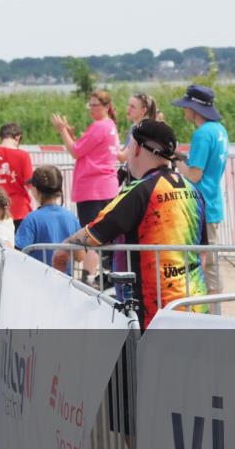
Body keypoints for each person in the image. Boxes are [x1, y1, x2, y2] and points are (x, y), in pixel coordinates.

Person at [60, 121, 208, 329]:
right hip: (195, 307)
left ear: (136, 148)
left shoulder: (138, 191)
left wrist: (60, 252)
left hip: (153, 317)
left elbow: (90, 235)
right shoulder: (193, 190)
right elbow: (203, 253)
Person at [51, 90, 120, 278]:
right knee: (102, 234)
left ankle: (89, 275)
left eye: (95, 105)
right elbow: (85, 149)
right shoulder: (110, 125)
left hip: (92, 188)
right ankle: (99, 273)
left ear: (106, 107)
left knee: (91, 234)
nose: (91, 108)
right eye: (90, 104)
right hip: (106, 187)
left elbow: (75, 151)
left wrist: (62, 130)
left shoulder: (99, 126)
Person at [172, 84, 228, 295]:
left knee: (202, 262)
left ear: (194, 109)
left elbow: (194, 175)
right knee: (211, 262)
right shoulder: (219, 130)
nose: (184, 110)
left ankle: (208, 309)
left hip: (200, 206)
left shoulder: (202, 134)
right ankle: (214, 308)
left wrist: (177, 161)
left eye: (186, 106)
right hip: (212, 203)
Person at [15, 165, 82, 273]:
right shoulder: (71, 218)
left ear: (35, 190)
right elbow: (80, 256)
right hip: (65, 279)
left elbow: (18, 254)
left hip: (38, 278)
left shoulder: (31, 219)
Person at [117, 93, 158, 176]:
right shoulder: (135, 127)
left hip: (142, 178)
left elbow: (123, 157)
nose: (128, 109)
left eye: (133, 107)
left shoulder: (141, 130)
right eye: (128, 105)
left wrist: (108, 141)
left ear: (143, 110)